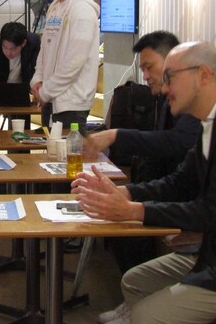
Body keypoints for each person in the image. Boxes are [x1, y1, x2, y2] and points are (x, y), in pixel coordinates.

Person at [72, 42, 216, 324]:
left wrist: (134, 211)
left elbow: (215, 212)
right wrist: (124, 191)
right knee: (134, 281)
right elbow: (179, 182)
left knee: (145, 315)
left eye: (170, 77)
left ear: (203, 75)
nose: (164, 88)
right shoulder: (214, 122)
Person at [84, 31, 201, 272]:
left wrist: (116, 135)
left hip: (187, 198)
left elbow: (176, 142)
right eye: (143, 69)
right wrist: (129, 190)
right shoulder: (163, 98)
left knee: (128, 227)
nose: (145, 76)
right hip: (172, 185)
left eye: (149, 67)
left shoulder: (198, 104)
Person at [30, 0, 100, 134]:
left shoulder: (82, 9)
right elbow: (44, 50)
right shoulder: (55, 6)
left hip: (71, 102)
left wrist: (46, 91)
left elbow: (74, 62)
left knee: (68, 152)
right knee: (50, 150)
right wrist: (37, 80)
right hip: (50, 99)